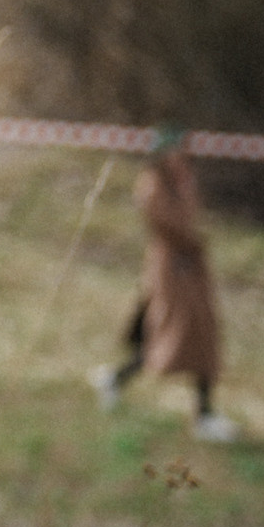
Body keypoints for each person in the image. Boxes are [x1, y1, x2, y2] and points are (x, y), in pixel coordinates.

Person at [91, 136, 236, 441]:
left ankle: (119, 381)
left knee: (189, 336)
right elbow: (173, 225)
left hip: (187, 269)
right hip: (173, 271)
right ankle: (201, 414)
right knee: (174, 335)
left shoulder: (181, 181)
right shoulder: (153, 185)